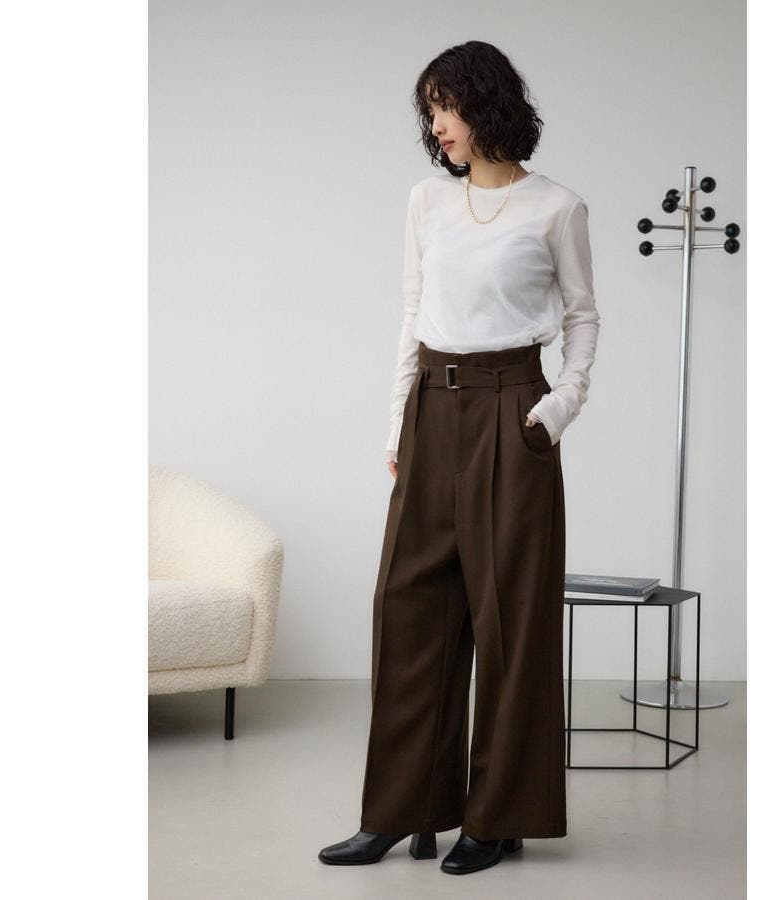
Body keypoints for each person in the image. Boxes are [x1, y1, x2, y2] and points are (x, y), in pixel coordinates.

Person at [319, 39, 601, 876]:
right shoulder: (426, 202)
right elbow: (412, 313)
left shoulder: (557, 208)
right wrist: (397, 429)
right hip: (431, 412)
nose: (436, 125)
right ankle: (400, 810)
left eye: (447, 106)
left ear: (487, 104)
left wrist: (556, 410)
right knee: (409, 609)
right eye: (430, 110)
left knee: (509, 618)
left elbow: (583, 317)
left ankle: (497, 817)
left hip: (513, 410)